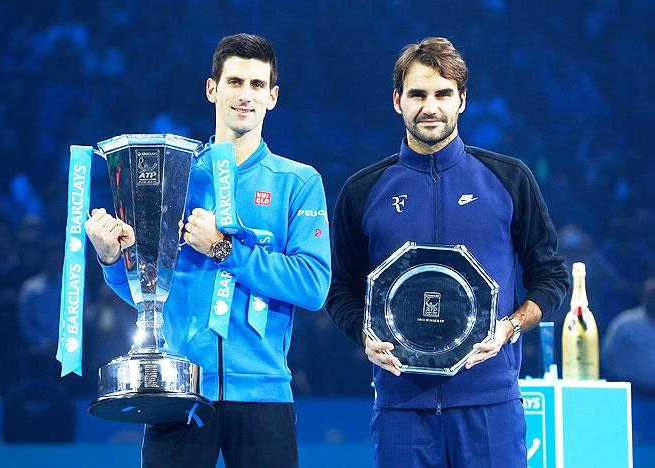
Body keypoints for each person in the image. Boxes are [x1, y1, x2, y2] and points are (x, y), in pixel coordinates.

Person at [85, 33, 331, 468]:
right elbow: (150, 293)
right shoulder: (175, 174)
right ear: (212, 88)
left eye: (257, 85)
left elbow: (313, 287)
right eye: (235, 82)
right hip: (181, 390)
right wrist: (110, 262)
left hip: (263, 391)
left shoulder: (298, 181)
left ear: (273, 97)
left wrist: (223, 249)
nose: (245, 96)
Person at [326, 37, 569, 468]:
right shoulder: (364, 191)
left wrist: (509, 327)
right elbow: (339, 288)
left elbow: (551, 277)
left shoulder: (508, 179)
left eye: (443, 94)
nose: (430, 106)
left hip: (490, 404)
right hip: (401, 406)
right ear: (397, 100)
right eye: (418, 94)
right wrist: (364, 335)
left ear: (462, 100)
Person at [601, 278, 655, 396]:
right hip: (632, 393)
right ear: (644, 298)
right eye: (652, 297)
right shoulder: (625, 324)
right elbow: (607, 358)